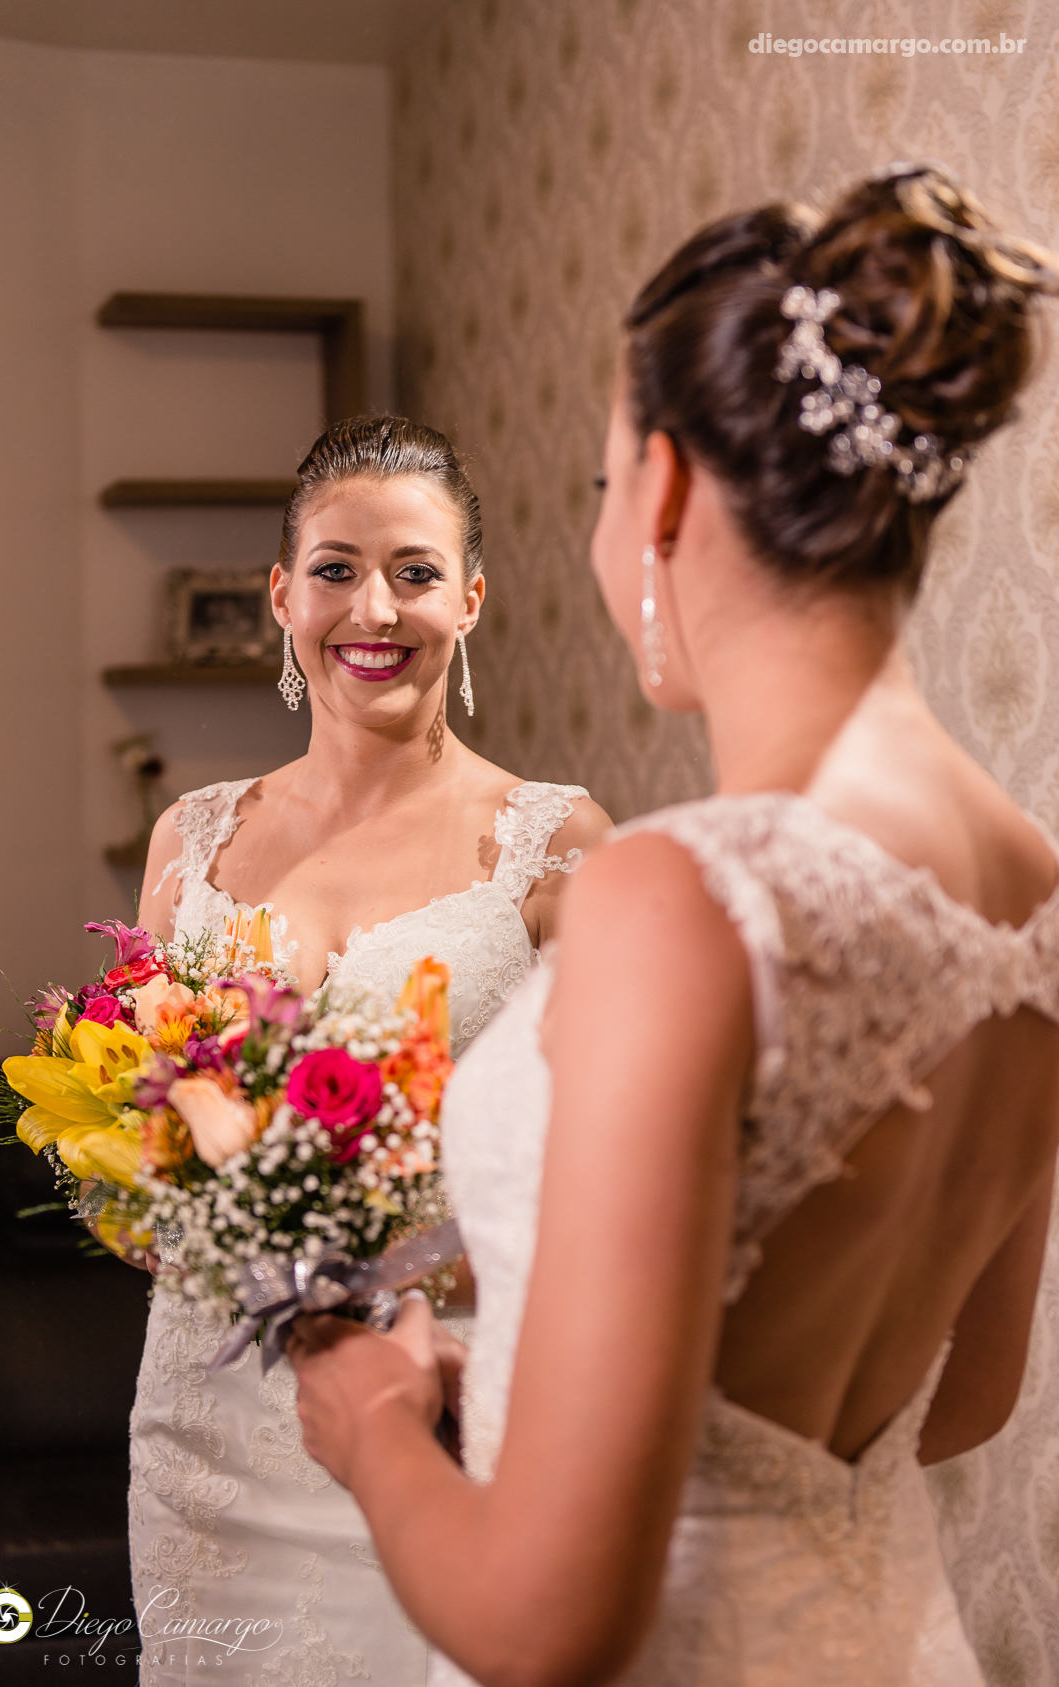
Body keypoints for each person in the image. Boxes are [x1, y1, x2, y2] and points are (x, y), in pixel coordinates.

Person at [287, 165, 1059, 1686]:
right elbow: (961, 1394)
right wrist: (509, 1377)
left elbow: (548, 1623)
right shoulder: (1031, 881)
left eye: (597, 486)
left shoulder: (679, 892)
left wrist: (374, 1423)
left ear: (662, 490)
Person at [127, 415, 610, 1687]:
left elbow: (609, 1164)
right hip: (203, 1416)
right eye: (335, 568)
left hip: (438, 1400)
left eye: (413, 570)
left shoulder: (558, 845)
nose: (372, 608)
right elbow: (148, 1115)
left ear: (471, 596)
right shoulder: (190, 837)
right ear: (281, 592)